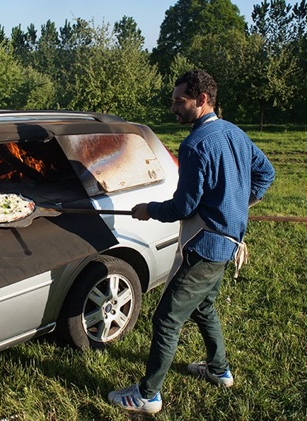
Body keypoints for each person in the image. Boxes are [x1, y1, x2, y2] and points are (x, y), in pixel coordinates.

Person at [108, 69, 275, 414]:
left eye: (178, 101)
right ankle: (219, 371)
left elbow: (182, 207)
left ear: (201, 100)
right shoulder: (234, 132)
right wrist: (238, 205)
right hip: (227, 242)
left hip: (205, 247)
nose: (173, 107)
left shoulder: (195, 145)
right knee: (203, 306)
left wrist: (148, 209)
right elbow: (266, 173)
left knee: (167, 319)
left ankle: (148, 395)